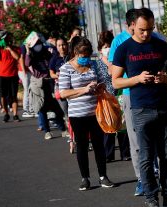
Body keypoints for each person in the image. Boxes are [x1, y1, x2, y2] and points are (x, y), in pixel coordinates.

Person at [108, 8, 167, 197]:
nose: (146, 34)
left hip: (164, 106)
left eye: (150, 29)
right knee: (145, 155)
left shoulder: (161, 46)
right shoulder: (123, 48)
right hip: (140, 107)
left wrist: (165, 79)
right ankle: (150, 195)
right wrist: (137, 79)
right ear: (132, 27)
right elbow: (116, 81)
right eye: (142, 30)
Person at [59, 36, 114, 191]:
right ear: (75, 52)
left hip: (96, 112)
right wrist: (84, 89)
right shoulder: (66, 69)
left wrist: (99, 87)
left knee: (99, 145)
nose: (85, 58)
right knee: (82, 145)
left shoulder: (94, 65)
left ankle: (103, 176)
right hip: (77, 114)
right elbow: (63, 93)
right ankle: (85, 178)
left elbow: (104, 82)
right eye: (82, 55)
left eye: (87, 54)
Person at [97, 30, 131, 162]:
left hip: (120, 94)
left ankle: (125, 152)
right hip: (106, 98)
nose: (108, 49)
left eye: (110, 46)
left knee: (123, 126)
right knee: (109, 125)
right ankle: (108, 154)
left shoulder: (118, 62)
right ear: (100, 50)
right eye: (105, 47)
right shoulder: (98, 64)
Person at [25, 38, 67, 139]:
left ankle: (63, 129)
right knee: (42, 108)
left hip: (50, 82)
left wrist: (52, 46)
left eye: (39, 43)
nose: (38, 46)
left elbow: (54, 58)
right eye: (35, 44)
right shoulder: (31, 55)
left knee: (57, 107)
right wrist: (27, 51)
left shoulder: (46, 52)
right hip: (38, 84)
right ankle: (47, 131)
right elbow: (27, 63)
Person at [0, 31, 21, 122]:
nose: (8, 39)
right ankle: (6, 113)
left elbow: (17, 57)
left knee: (13, 96)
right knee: (3, 96)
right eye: (6, 38)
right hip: (1, 76)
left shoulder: (15, 48)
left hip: (13, 75)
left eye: (9, 38)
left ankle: (15, 115)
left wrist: (10, 49)